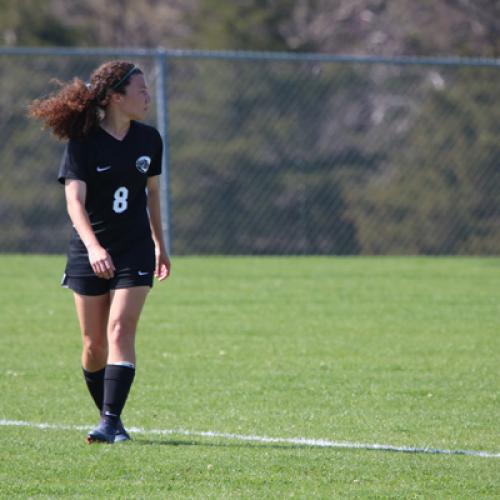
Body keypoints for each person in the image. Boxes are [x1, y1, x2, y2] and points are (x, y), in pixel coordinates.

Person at [29, 61, 171, 444]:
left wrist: (160, 244)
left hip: (135, 247)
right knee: (94, 345)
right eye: (140, 90)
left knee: (121, 329)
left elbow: (152, 193)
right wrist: (93, 248)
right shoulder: (84, 143)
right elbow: (74, 201)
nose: (146, 96)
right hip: (90, 249)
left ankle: (110, 421)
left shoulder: (150, 139)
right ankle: (111, 418)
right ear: (114, 98)